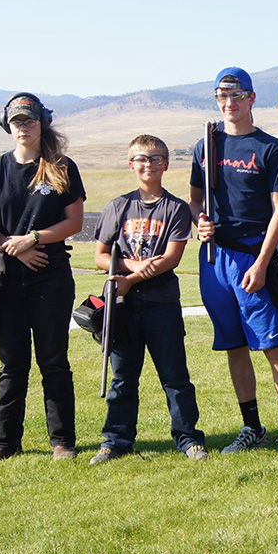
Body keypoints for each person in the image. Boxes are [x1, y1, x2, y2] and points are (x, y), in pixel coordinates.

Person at [188, 67, 278, 465]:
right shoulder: (206, 145)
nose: (230, 103)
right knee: (233, 345)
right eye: (223, 95)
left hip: (253, 255)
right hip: (214, 258)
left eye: (237, 95)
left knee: (272, 346)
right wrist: (199, 221)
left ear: (252, 98)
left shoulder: (268, 148)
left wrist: (261, 263)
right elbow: (195, 201)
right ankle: (252, 428)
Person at [0, 93, 85, 466]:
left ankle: (62, 442)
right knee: (12, 364)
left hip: (51, 278)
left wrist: (34, 238)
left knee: (54, 361)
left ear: (42, 123)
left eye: (30, 121)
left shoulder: (61, 167)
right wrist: (16, 247)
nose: (24, 127)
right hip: (6, 279)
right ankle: (4, 443)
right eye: (17, 122)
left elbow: (74, 223)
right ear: (8, 125)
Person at [89, 135, 207, 464]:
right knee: (123, 377)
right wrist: (131, 269)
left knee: (175, 376)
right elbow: (100, 255)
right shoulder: (118, 207)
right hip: (123, 308)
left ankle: (187, 437)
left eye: (156, 159)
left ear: (166, 164)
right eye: (141, 159)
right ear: (131, 165)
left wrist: (130, 279)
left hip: (162, 304)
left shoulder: (176, 209)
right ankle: (115, 440)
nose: (148, 164)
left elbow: (171, 258)